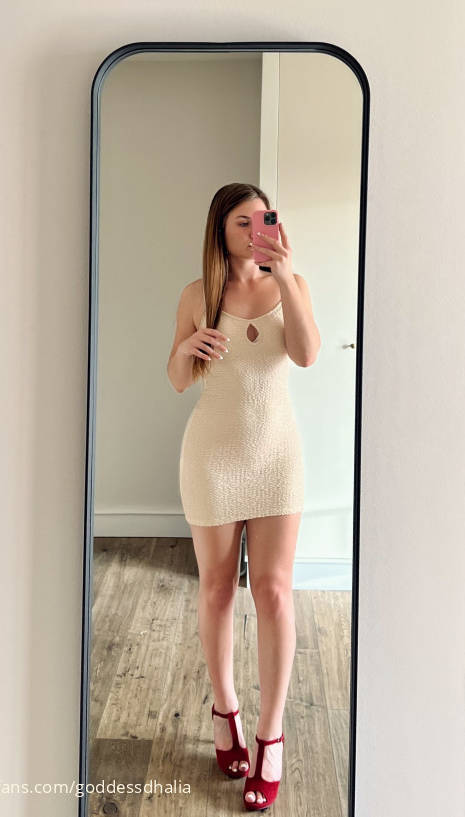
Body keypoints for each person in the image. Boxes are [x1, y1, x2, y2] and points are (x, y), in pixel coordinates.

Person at [166, 182, 320, 810]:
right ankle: (225, 708)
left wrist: (285, 277)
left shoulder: (293, 284)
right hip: (212, 457)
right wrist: (186, 348)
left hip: (277, 458)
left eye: (265, 218)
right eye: (242, 221)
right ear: (221, 231)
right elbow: (178, 380)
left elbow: (307, 356)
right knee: (217, 589)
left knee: (275, 592)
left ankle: (270, 733)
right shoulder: (197, 295)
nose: (257, 229)